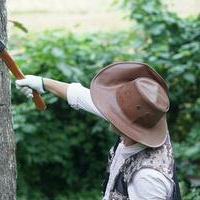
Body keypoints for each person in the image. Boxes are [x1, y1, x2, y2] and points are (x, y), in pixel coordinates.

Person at [15, 62, 181, 200]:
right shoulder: (144, 123)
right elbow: (83, 97)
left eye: (115, 109)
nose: (108, 109)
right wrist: (42, 83)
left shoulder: (146, 178)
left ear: (127, 124)